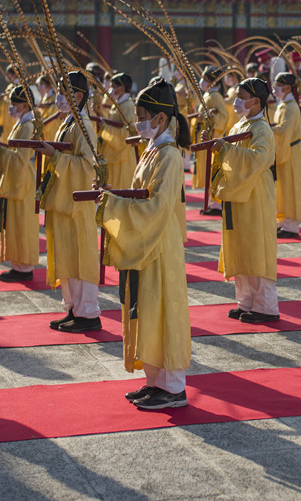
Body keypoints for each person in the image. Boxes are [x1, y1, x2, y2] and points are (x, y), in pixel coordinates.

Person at [97, 80, 192, 410]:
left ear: (160, 119)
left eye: (142, 116)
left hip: (160, 244)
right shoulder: (154, 150)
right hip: (149, 242)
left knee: (163, 311)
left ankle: (173, 387)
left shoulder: (169, 156)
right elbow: (141, 196)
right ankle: (154, 382)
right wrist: (113, 194)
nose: (138, 122)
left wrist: (113, 205)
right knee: (148, 311)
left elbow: (157, 206)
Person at [210, 77, 279, 324]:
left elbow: (259, 158)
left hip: (256, 195)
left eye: (241, 96)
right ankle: (246, 301)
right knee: (241, 246)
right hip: (239, 191)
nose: (237, 101)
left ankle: (266, 306)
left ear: (256, 101)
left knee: (256, 248)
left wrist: (227, 150)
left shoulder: (262, 128)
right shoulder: (241, 124)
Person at [38, 72, 102, 333]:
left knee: (80, 257)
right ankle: (74, 308)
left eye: (63, 92)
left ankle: (88, 312)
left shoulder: (84, 125)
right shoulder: (69, 122)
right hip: (64, 201)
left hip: (77, 204)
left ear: (78, 96)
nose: (58, 97)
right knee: (66, 256)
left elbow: (87, 167)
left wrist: (55, 156)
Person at [0, 85, 40, 282]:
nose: (11, 108)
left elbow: (20, 158)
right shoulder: (22, 124)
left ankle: (24, 267)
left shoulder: (27, 126)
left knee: (22, 223)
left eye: (14, 105)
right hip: (19, 179)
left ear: (25, 106)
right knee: (16, 223)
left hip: (22, 181)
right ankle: (18, 264)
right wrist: (0, 149)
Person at [272, 71, 301, 239]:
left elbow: (285, 129)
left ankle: (292, 225)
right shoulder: (283, 105)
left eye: (278, 86)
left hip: (292, 151)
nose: (275, 89)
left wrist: (267, 128)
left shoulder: (291, 107)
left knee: (292, 188)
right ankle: (284, 221)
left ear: (287, 87)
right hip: (285, 150)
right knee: (283, 188)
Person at [193, 67, 229, 216]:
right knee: (206, 169)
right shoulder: (208, 95)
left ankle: (215, 203)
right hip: (205, 136)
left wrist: (208, 117)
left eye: (206, 79)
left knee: (213, 170)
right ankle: (210, 201)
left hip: (211, 138)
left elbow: (223, 117)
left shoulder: (215, 97)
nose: (203, 82)